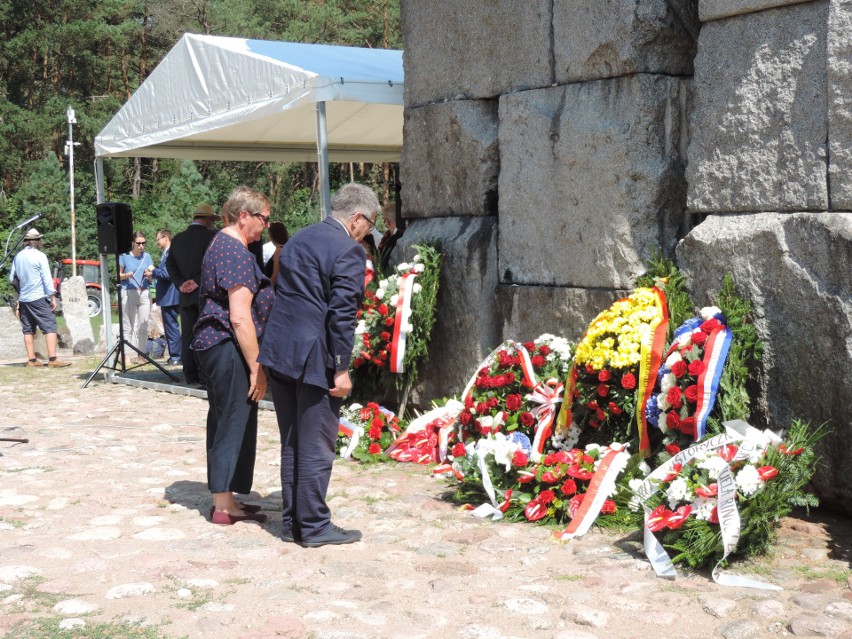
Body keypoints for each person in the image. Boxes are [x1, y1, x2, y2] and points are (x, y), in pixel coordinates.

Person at [259, 182, 379, 547]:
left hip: (280, 348)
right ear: (357, 216)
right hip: (315, 356)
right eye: (370, 225)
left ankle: (294, 522)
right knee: (316, 443)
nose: (367, 233)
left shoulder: (299, 238)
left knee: (293, 440)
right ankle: (313, 526)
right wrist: (340, 369)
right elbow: (341, 313)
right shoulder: (347, 250)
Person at [192, 187, 274, 526]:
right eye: (263, 219)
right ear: (244, 216)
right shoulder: (234, 252)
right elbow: (239, 317)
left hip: (214, 345)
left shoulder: (222, 244)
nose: (266, 227)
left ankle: (225, 497)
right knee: (232, 419)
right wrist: (258, 368)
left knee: (225, 417)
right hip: (226, 345)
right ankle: (224, 506)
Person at [167, 204, 218, 386]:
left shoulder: (178, 239)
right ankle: (205, 375)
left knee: (188, 334)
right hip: (205, 293)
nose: (213, 223)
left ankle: (190, 374)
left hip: (185, 295)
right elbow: (210, 263)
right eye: (212, 219)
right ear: (207, 220)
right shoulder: (211, 237)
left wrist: (181, 283)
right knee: (205, 333)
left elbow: (169, 264)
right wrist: (196, 281)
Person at [8, 228, 70, 368]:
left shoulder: (17, 257)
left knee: (28, 329)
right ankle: (53, 359)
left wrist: (20, 296)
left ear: (25, 242)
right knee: (50, 326)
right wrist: (53, 297)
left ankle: (32, 360)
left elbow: (12, 278)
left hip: (24, 299)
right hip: (39, 297)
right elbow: (47, 279)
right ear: (37, 241)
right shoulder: (40, 256)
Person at [118, 231, 154, 362]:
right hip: (129, 291)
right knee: (128, 325)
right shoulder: (124, 256)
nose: (141, 246)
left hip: (144, 292)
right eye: (139, 243)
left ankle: (142, 355)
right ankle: (126, 355)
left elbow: (152, 278)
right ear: (133, 243)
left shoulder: (147, 257)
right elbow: (118, 275)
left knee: (143, 325)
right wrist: (127, 275)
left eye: (144, 243)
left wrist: (149, 274)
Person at [148, 229, 181, 365]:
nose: (157, 243)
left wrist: (153, 270)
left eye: (158, 239)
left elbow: (167, 274)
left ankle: (176, 356)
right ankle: (175, 355)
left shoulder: (170, 253)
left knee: (171, 326)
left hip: (170, 295)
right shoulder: (167, 253)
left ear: (166, 238)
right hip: (168, 295)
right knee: (170, 326)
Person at [377, 201, 403, 271]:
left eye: (384, 220)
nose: (385, 224)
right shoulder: (388, 236)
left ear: (388, 221)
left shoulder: (395, 238)